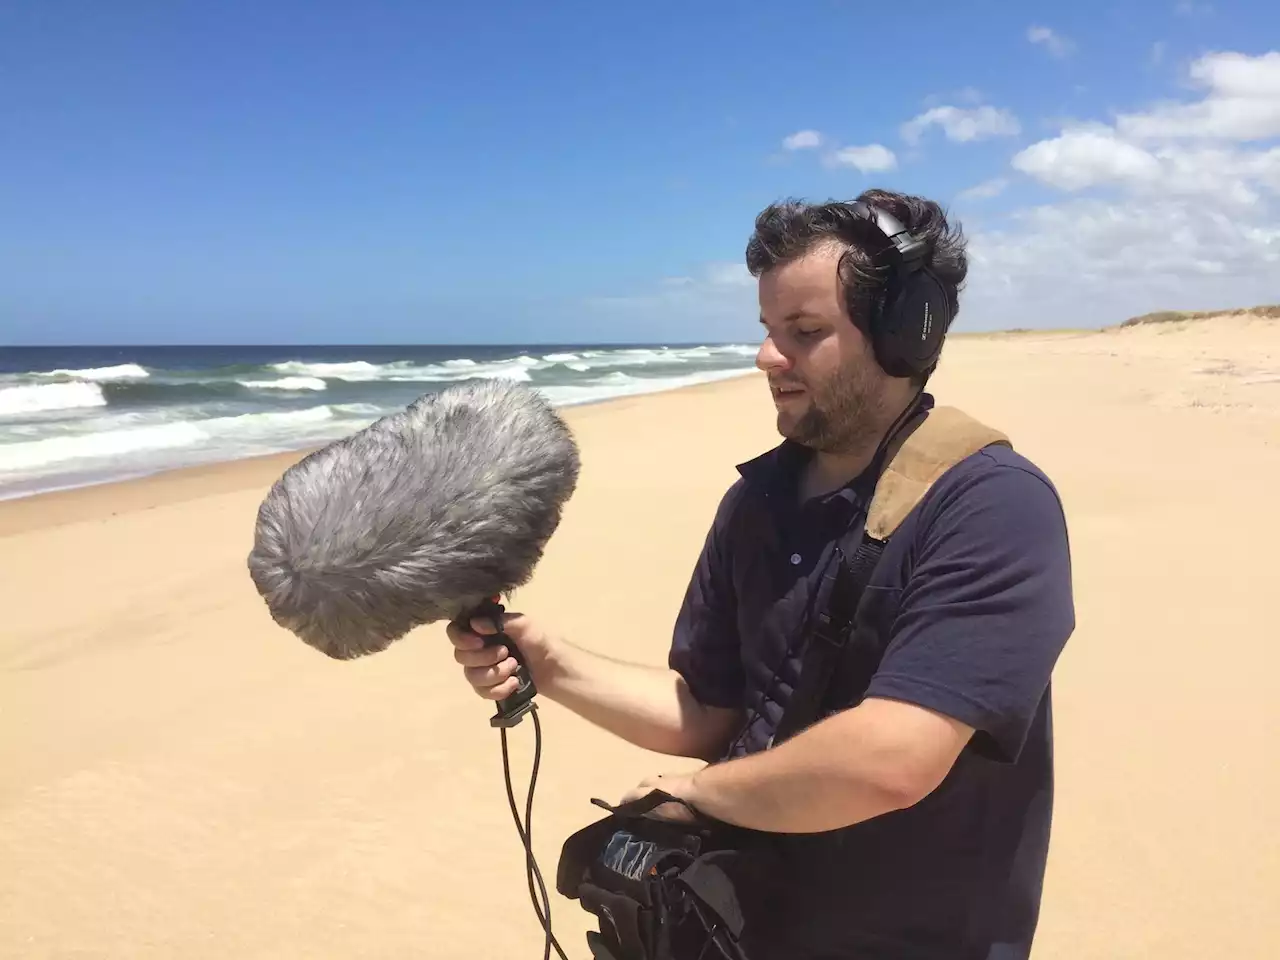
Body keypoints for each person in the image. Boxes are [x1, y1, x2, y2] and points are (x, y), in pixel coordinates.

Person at [447, 189, 1076, 959]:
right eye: (769, 330)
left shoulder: (991, 506)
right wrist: (549, 662)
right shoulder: (756, 502)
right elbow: (712, 709)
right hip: (747, 930)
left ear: (904, 336)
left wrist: (695, 793)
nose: (767, 357)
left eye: (805, 332)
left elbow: (894, 758)